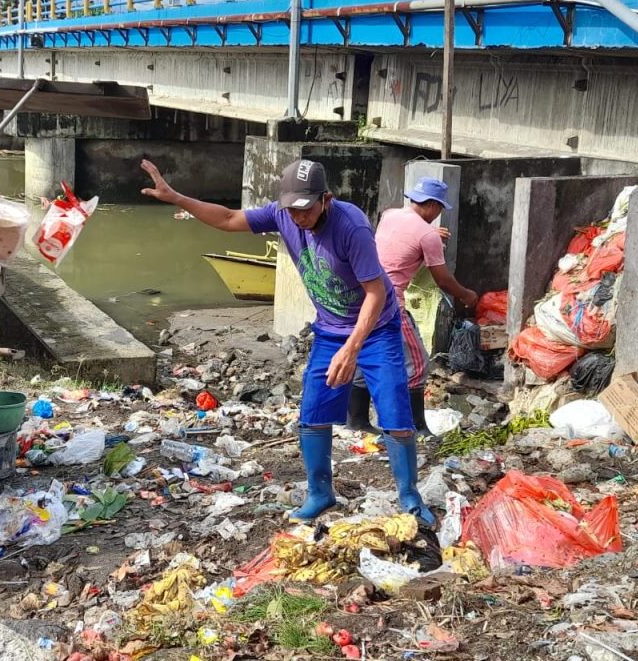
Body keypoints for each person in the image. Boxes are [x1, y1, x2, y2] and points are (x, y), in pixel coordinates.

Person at [140, 158, 436, 527]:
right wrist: (177, 197)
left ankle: (409, 497)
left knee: (395, 416)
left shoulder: (351, 226)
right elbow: (229, 219)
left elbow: (376, 293)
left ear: (325, 199)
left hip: (376, 327)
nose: (299, 217)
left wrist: (353, 348)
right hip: (330, 328)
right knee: (313, 414)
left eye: (306, 209)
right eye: (291, 209)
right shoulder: (283, 215)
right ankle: (321, 492)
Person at [347, 176, 477, 436]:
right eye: (439, 208)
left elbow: (403, 240)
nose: (439, 213)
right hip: (388, 303)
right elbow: (442, 279)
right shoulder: (427, 235)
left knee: (363, 357)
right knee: (418, 364)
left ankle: (357, 421)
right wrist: (466, 295)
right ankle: (417, 427)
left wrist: (429, 234)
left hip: (362, 295)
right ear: (431, 205)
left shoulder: (390, 215)